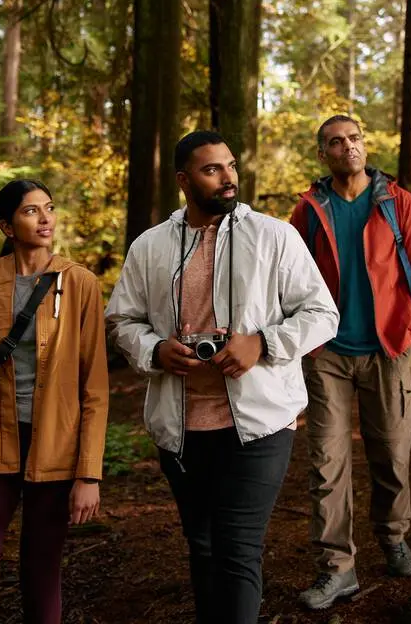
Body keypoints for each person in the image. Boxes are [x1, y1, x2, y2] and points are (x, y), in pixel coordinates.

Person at [105, 131, 339, 624]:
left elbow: (322, 313)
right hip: (181, 426)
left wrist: (263, 343)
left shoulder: (275, 236)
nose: (228, 177)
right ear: (184, 180)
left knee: (236, 550)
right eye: (212, 169)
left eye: (231, 166)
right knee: (204, 546)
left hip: (258, 425)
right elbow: (122, 321)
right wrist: (154, 349)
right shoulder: (150, 246)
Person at [0, 179, 109, 624]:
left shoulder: (81, 284)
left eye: (49, 208)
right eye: (31, 211)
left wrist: (88, 472)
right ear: (7, 226)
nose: (46, 218)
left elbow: (94, 387)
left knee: (41, 575)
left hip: (54, 447)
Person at [288, 115, 411, 611]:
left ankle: (392, 536)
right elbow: (289, 276)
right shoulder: (308, 210)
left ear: (365, 145)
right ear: (322, 154)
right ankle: (337, 568)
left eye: (354, 138)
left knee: (392, 454)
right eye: (335, 142)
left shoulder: (397, 202)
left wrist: (408, 331)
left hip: (387, 350)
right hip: (327, 351)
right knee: (327, 463)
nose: (347, 147)